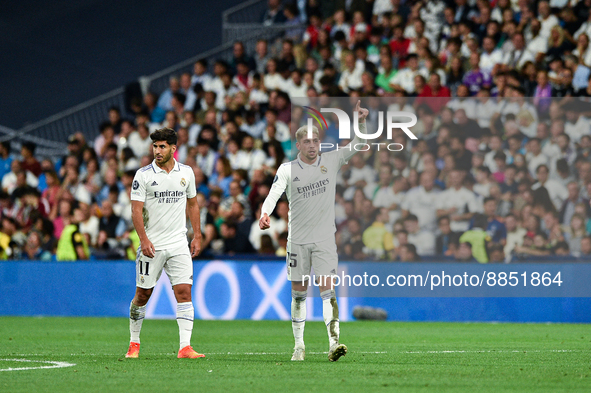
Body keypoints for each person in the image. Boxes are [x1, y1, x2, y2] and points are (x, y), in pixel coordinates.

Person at [259, 100, 369, 362]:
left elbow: (358, 145)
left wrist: (361, 122)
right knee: (299, 295)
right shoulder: (287, 169)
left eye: (315, 141)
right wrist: (265, 212)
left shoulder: (331, 160)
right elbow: (274, 193)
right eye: (306, 141)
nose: (312, 145)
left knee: (327, 292)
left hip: (324, 241)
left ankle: (334, 344)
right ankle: (299, 346)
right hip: (297, 241)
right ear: (298, 145)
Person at [126, 128, 204, 360]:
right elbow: (136, 210)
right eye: (155, 146)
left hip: (179, 242)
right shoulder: (143, 175)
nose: (157, 151)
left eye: (162, 146)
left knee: (184, 292)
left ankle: (185, 347)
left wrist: (197, 235)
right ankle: (134, 343)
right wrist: (144, 239)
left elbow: (193, 204)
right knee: (143, 294)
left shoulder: (186, 173)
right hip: (153, 244)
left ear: (173, 148)